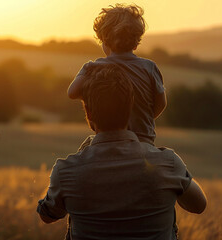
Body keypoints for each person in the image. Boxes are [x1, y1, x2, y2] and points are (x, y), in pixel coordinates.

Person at [37, 64, 207, 239]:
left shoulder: (66, 171)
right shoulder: (168, 163)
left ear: (88, 112)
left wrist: (75, 161)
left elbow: (46, 215)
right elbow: (199, 205)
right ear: (130, 107)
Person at [68, 3, 166, 145]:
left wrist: (86, 71)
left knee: (84, 150)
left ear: (104, 41)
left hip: (108, 141)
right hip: (144, 140)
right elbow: (161, 103)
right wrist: (143, 118)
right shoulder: (149, 67)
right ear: (136, 44)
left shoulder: (94, 68)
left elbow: (72, 93)